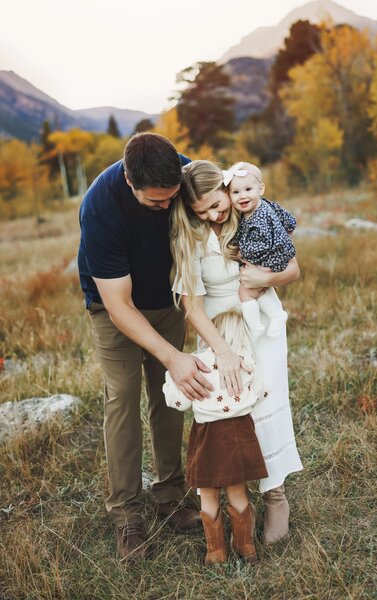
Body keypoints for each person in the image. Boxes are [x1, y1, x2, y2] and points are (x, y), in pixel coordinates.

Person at [78, 133, 211, 561]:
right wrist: (172, 356)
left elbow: (227, 205)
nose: (166, 206)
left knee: (170, 395)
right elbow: (118, 305)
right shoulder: (100, 208)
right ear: (130, 181)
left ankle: (171, 495)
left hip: (167, 300)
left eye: (171, 198)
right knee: (122, 397)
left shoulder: (183, 175)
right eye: (156, 202)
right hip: (116, 309)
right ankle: (126, 515)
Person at [170, 160, 303, 545]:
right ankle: (228, 498)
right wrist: (223, 352)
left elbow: (292, 268)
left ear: (228, 187)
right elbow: (192, 307)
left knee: (266, 405)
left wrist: (265, 278)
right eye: (203, 211)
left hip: (260, 326)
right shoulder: (188, 237)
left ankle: (276, 495)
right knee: (224, 412)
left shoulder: (249, 213)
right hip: (218, 335)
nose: (214, 214)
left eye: (217, 203)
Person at [163, 309, 267, 564]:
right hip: (239, 437)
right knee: (238, 491)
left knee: (208, 494)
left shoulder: (198, 363)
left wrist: (170, 380)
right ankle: (246, 547)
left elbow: (176, 401)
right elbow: (261, 392)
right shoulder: (245, 362)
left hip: (208, 439)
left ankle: (216, 553)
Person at [223, 161, 297, 338]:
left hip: (271, 257)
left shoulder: (259, 217)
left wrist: (242, 253)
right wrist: (287, 230)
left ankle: (255, 326)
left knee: (246, 291)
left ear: (261, 189)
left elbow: (261, 244)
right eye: (236, 192)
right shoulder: (264, 205)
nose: (242, 196)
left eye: (248, 189)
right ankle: (276, 315)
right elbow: (288, 219)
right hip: (276, 255)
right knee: (259, 289)